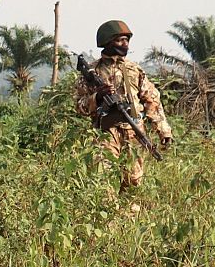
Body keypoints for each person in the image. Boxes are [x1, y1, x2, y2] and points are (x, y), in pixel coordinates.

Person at [74, 20, 174, 188]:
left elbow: (152, 101)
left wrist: (163, 131)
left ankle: (130, 214)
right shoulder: (92, 72)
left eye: (127, 40)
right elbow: (79, 105)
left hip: (133, 132)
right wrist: (97, 97)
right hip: (105, 133)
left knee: (133, 183)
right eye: (120, 40)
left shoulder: (134, 70)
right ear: (107, 41)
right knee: (103, 182)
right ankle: (106, 214)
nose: (124, 44)